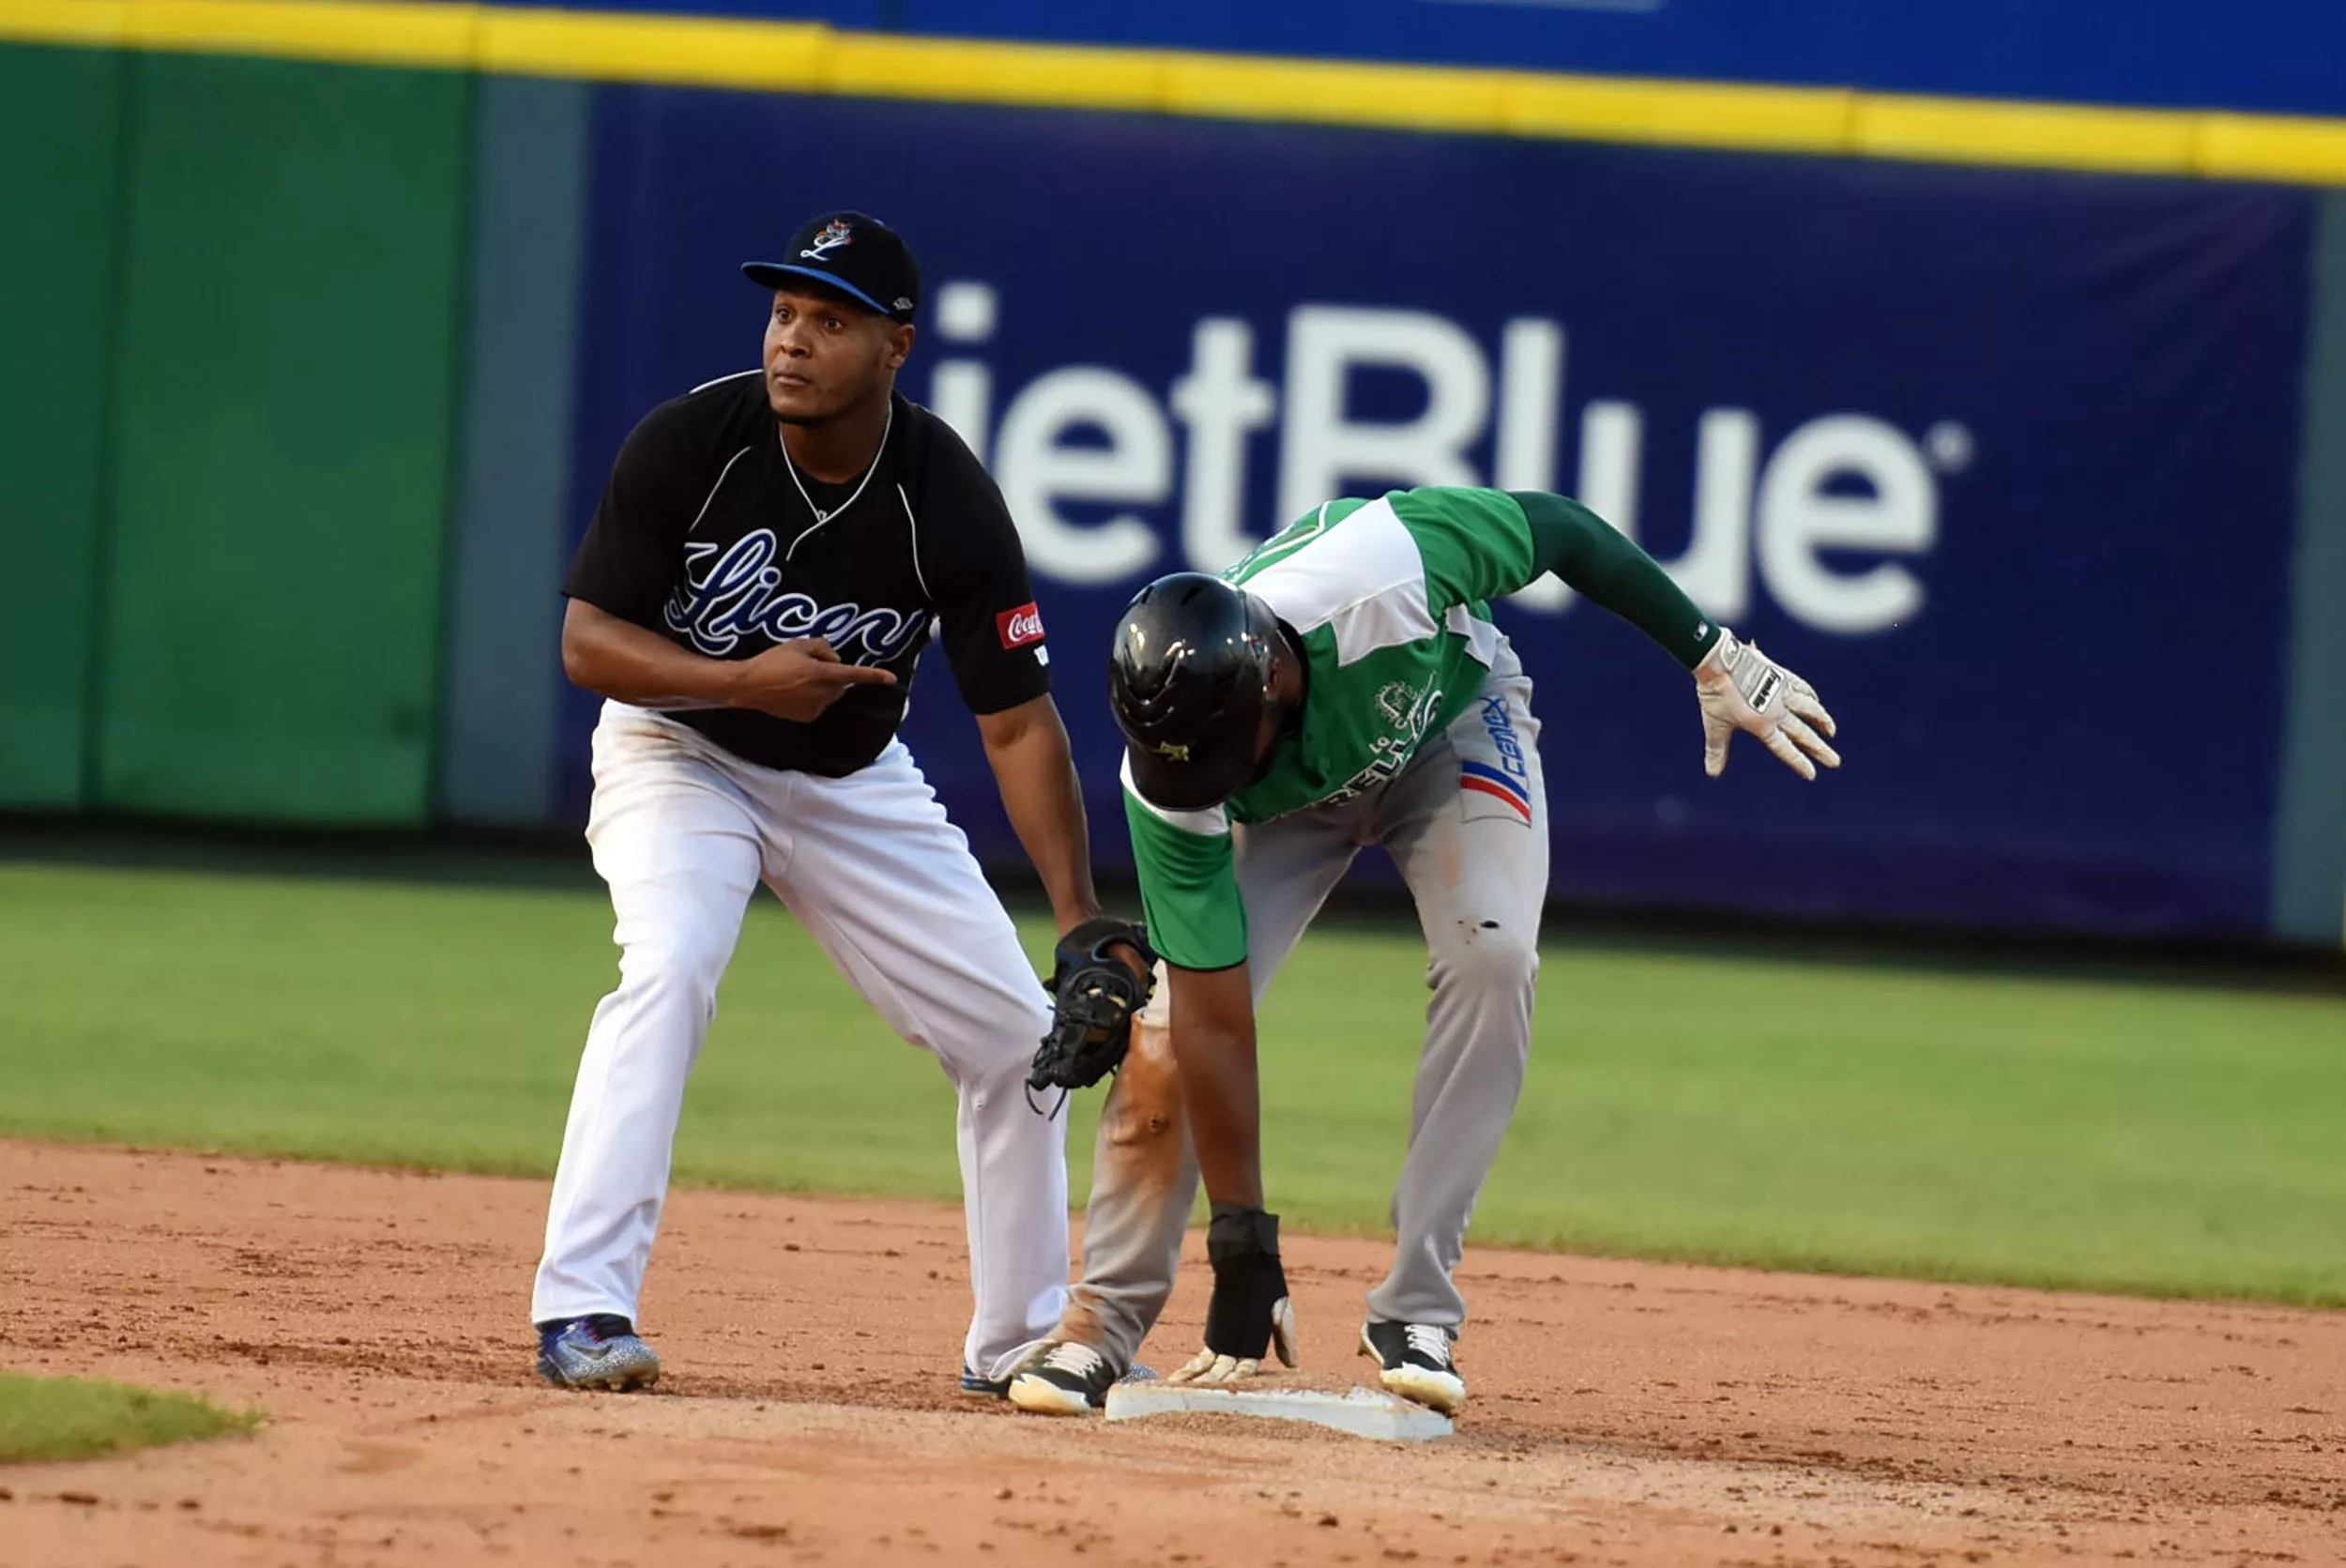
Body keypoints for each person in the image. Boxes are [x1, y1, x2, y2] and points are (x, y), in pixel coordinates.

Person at [1006, 486, 1837, 1416]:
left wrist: (1709, 652)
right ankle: (1100, 1327)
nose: (1188, 780)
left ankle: (1417, 1307)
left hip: (1449, 726)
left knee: (1494, 954)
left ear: (1272, 689)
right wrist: (1243, 1244)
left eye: (1207, 759)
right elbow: (1215, 1020)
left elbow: (1557, 529)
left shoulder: (1381, 570)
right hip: (1288, 804)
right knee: (1162, 1030)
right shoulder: (1175, 773)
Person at [534, 210, 1103, 1396]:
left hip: (853, 785)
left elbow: (1016, 721)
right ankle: (583, 1307)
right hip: (676, 755)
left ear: (898, 345)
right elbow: (588, 644)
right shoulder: (695, 440)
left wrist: (1083, 919)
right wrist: (738, 682)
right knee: (673, 964)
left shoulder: (944, 492)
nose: (792, 340)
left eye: (829, 320)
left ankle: (1015, 1347)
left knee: (1016, 1042)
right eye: (785, 312)